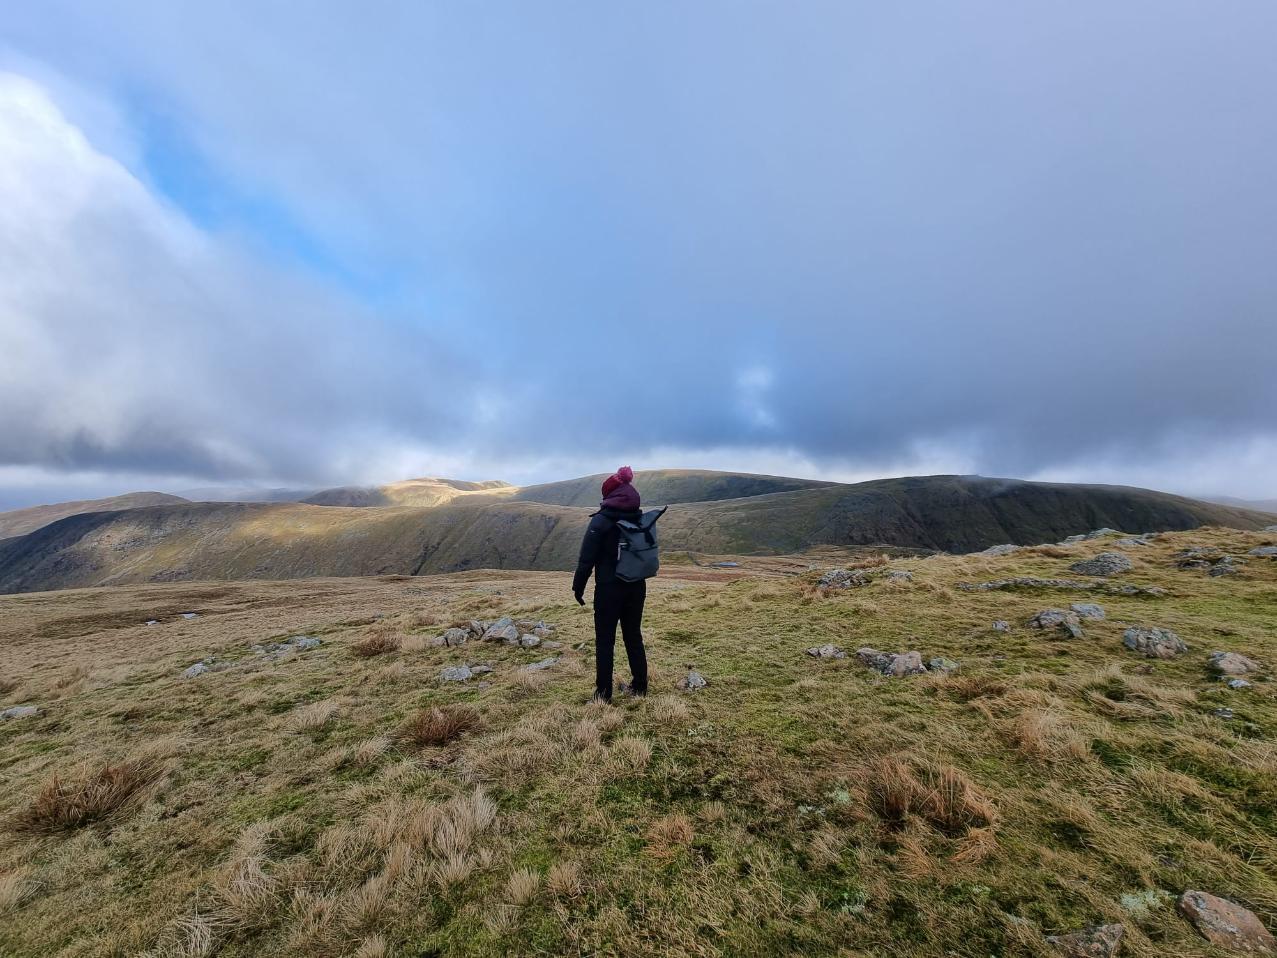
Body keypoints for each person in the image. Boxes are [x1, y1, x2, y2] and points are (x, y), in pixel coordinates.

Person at [573, 466, 648, 703]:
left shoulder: (602, 520)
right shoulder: (639, 516)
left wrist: (579, 586)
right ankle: (640, 686)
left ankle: (603, 695)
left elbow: (587, 558)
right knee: (633, 636)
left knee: (605, 640)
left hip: (608, 588)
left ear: (610, 494)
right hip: (636, 585)